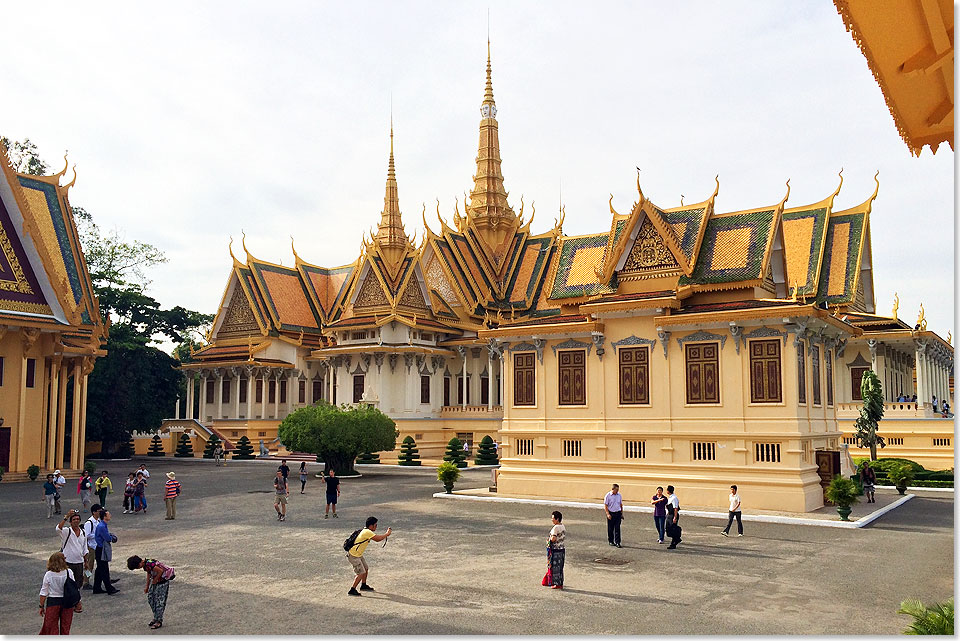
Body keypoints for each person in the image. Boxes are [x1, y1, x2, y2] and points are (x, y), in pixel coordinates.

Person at [345, 516, 392, 596]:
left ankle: (363, 585)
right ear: (371, 525)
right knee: (361, 572)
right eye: (375, 525)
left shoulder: (366, 531)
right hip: (354, 556)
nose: (376, 527)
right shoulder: (367, 532)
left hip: (358, 554)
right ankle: (352, 589)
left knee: (365, 568)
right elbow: (378, 539)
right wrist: (387, 534)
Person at [127, 556, 174, 630]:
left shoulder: (150, 564)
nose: (138, 568)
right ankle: (156, 617)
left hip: (162, 582)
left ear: (140, 562)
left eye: (138, 567)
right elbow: (149, 574)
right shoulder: (145, 565)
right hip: (156, 582)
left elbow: (160, 571)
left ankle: (159, 620)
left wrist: (155, 579)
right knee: (151, 598)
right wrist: (147, 586)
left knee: (159, 602)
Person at [39, 552, 79, 634]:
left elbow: (44, 592)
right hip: (67, 601)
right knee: (65, 627)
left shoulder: (49, 575)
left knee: (51, 627)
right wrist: (78, 602)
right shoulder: (69, 572)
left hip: (53, 601)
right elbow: (74, 589)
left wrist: (41, 606)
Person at [56, 510, 87, 599]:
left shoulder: (83, 532)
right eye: (74, 519)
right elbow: (58, 529)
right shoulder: (66, 532)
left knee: (78, 582)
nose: (76, 521)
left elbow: (84, 548)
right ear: (70, 522)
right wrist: (66, 517)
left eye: (77, 519)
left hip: (79, 561)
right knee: (67, 581)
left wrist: (86, 561)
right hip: (68, 561)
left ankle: (76, 598)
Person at [93, 511, 119, 594]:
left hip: (100, 548)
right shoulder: (102, 526)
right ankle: (109, 588)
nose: (110, 515)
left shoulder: (102, 525)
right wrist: (112, 536)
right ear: (104, 516)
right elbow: (107, 538)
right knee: (104, 569)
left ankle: (97, 587)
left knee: (100, 569)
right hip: (101, 549)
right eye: (108, 514)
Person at [81, 505, 102, 590]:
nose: (100, 512)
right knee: (89, 565)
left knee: (101, 563)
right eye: (99, 511)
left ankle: (104, 578)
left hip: (97, 545)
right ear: (94, 512)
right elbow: (87, 535)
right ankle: (85, 581)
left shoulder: (98, 521)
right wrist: (97, 535)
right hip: (91, 547)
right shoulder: (89, 523)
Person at [547, 511, 565, 589]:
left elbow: (553, 539)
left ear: (557, 519)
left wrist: (549, 540)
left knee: (555, 567)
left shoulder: (555, 528)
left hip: (556, 549)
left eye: (553, 518)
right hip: (562, 549)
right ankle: (560, 583)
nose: (552, 520)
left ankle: (556, 584)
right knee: (560, 567)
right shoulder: (562, 526)